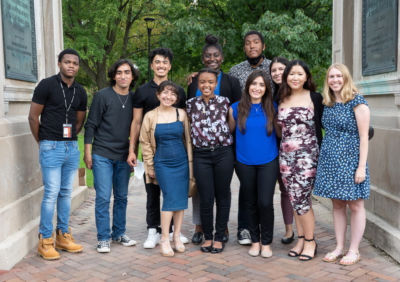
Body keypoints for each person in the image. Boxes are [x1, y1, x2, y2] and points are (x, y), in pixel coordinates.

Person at [126, 48, 188, 249]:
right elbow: (136, 122)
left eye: (165, 62)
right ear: (152, 65)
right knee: (152, 190)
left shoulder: (178, 91)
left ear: (170, 66)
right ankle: (153, 229)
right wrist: (132, 149)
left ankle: (171, 232)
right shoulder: (143, 91)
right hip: (153, 149)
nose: (161, 65)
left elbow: (184, 125)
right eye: (157, 62)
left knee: (174, 192)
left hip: (176, 152)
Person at [28, 48, 87, 260]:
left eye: (75, 63)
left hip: (71, 147)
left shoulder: (80, 91)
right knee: (51, 192)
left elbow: (79, 121)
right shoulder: (46, 85)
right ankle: (45, 240)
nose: (71, 65)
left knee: (65, 193)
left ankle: (63, 235)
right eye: (67, 62)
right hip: (50, 145)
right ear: (59, 63)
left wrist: (68, 140)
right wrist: (43, 141)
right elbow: (33, 117)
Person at [314, 63, 370, 266]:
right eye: (331, 76)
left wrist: (361, 167)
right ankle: (339, 246)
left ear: (346, 78)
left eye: (339, 76)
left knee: (355, 205)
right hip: (330, 159)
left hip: (351, 160)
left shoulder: (357, 101)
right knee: (337, 205)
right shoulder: (327, 102)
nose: (335, 80)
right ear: (327, 80)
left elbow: (364, 138)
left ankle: (354, 250)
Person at [187, 34, 241, 245]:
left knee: (222, 190)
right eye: (208, 55)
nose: (212, 58)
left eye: (216, 55)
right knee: (203, 192)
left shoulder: (231, 82)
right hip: (201, 150)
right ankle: (201, 228)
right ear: (203, 59)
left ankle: (222, 229)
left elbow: (236, 113)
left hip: (224, 148)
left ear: (222, 57)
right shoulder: (193, 82)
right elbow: (188, 115)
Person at [84, 59, 139, 253]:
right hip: (102, 154)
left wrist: (134, 154)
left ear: (132, 76)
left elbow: (137, 127)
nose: (123, 76)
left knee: (122, 197)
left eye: (127, 72)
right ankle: (103, 238)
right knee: (103, 197)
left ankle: (119, 233)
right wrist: (88, 152)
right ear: (113, 75)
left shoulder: (135, 99)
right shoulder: (102, 96)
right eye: (119, 73)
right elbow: (90, 125)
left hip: (124, 155)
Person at [228, 30, 274, 245]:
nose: (252, 46)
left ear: (263, 46)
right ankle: (245, 229)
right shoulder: (235, 71)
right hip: (243, 129)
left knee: (264, 198)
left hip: (268, 125)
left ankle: (266, 236)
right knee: (247, 192)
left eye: (256, 42)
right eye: (248, 43)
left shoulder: (273, 67)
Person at [140, 81, 194, 257]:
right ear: (158, 94)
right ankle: (164, 238)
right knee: (170, 199)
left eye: (173, 94)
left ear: (177, 98)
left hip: (182, 163)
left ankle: (176, 236)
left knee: (180, 201)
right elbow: (145, 142)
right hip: (162, 163)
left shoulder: (181, 114)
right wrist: (150, 164)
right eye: (165, 93)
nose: (168, 97)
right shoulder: (150, 116)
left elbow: (187, 139)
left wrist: (190, 163)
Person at [276, 60, 323, 261]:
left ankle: (311, 242)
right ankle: (302, 239)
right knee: (294, 199)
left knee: (303, 199)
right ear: (286, 77)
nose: (295, 77)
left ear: (306, 77)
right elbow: (279, 129)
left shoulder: (315, 97)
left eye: (299, 74)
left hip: (308, 156)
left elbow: (323, 126)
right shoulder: (281, 97)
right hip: (286, 157)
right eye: (292, 74)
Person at [186, 68, 234, 254]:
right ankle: (208, 236)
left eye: (211, 82)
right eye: (203, 82)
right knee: (205, 196)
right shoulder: (190, 105)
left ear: (216, 84)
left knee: (222, 195)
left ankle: (219, 236)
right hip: (201, 155)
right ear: (198, 84)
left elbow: (230, 126)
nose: (207, 85)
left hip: (223, 153)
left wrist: (219, 138)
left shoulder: (225, 102)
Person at [270, 57, 295, 244]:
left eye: (281, 69)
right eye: (274, 70)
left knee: (299, 190)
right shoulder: (271, 96)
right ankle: (289, 230)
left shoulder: (299, 93)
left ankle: (304, 230)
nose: (277, 73)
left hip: (298, 149)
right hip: (275, 147)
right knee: (285, 189)